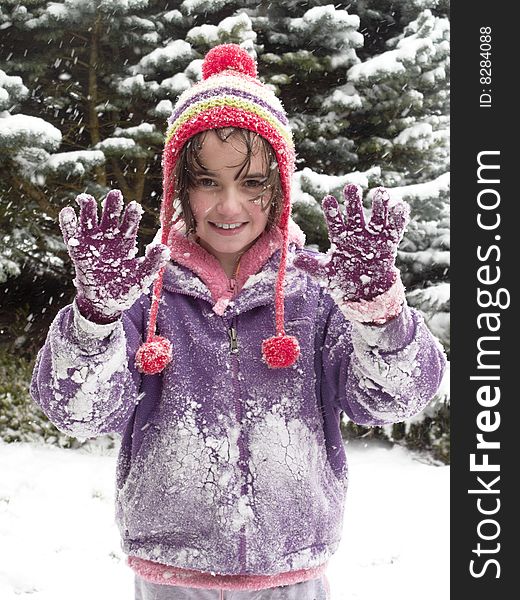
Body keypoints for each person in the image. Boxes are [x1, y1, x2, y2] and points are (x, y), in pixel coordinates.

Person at [30, 44, 446, 600]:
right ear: (179, 185)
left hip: (293, 572)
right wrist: (94, 317)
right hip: (171, 573)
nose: (229, 207)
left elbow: (392, 401)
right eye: (207, 181)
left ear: (281, 185)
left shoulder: (318, 293)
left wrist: (380, 315)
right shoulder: (141, 292)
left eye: (251, 183)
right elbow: (80, 413)